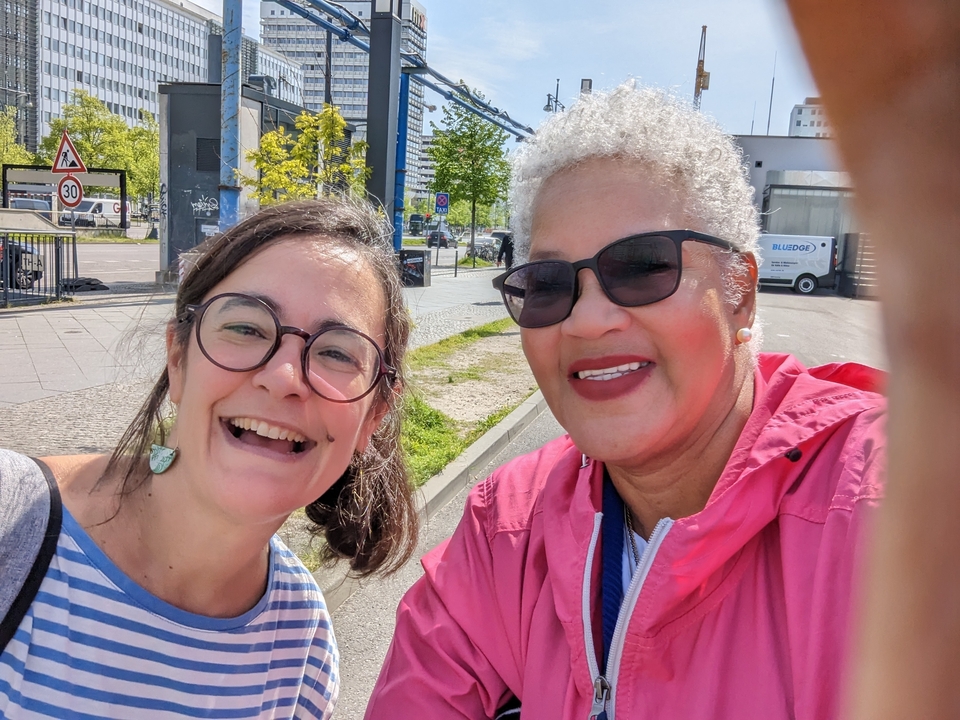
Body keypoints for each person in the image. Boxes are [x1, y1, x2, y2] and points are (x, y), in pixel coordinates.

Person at [365, 83, 886, 719]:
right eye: (548, 285)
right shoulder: (505, 531)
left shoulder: (895, 511)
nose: (586, 321)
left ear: (740, 293)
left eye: (642, 268)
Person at [0, 197, 417, 719]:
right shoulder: (10, 521)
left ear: (372, 416)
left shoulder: (301, 644)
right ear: (178, 357)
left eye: (337, 352)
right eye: (246, 328)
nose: (284, 377)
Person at [781, 1, 960, 719]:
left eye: (644, 270)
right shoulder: (515, 516)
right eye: (543, 287)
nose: (596, 313)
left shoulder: (857, 487)